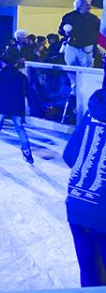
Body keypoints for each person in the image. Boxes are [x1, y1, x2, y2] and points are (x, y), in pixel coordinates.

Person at [63, 72, 106, 287]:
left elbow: (69, 155)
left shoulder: (94, 110)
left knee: (91, 278)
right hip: (102, 212)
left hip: (79, 209)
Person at [0, 50, 33, 164]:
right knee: (19, 127)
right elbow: (29, 93)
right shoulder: (21, 77)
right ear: (16, 63)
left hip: (1, 105)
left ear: (3, 63)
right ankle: (27, 152)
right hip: (16, 106)